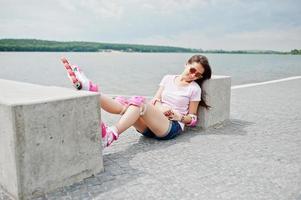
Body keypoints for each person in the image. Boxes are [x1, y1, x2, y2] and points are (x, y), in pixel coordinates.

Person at [61, 55, 212, 148]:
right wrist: (161, 106)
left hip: (170, 128)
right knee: (126, 105)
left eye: (198, 75)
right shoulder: (167, 78)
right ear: (186, 64)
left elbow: (193, 119)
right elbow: (155, 100)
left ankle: (110, 135)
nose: (193, 76)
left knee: (139, 104)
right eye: (192, 70)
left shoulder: (194, 89)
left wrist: (178, 117)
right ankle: (92, 92)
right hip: (149, 127)